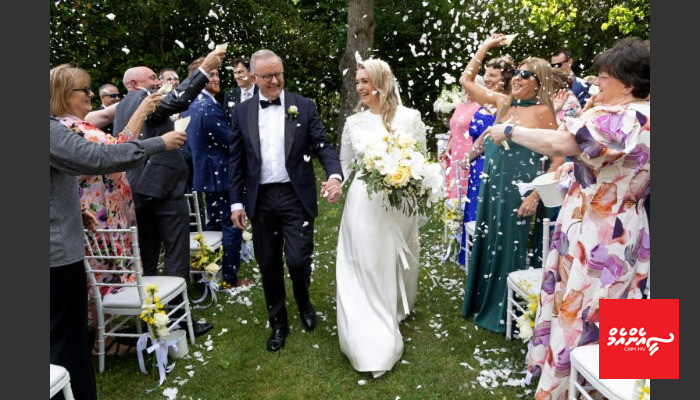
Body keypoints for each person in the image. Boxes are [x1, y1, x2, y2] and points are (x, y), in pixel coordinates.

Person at [487, 37, 650, 398]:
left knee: (589, 307)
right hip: (598, 221)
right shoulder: (626, 112)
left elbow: (565, 144)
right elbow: (596, 160)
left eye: (605, 76)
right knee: (587, 303)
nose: (597, 82)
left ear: (629, 83)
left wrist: (510, 130)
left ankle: (575, 388)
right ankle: (586, 383)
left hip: (605, 231)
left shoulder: (633, 117)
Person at [50, 113, 186, 400]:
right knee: (67, 345)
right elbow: (98, 157)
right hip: (56, 257)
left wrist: (72, 210)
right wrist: (159, 143)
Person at [228, 49, 343, 352]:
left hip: (295, 196)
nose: (275, 80)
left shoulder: (303, 106)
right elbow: (236, 161)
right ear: (253, 78)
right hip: (261, 198)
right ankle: (278, 322)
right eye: (267, 76)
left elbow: (322, 146)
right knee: (268, 264)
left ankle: (304, 301)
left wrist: (334, 176)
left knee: (297, 260)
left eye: (278, 74)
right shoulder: (241, 112)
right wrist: (236, 203)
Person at [114, 47, 226, 338]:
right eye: (152, 78)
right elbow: (178, 99)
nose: (158, 82)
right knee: (177, 255)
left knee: (149, 257)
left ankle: (152, 319)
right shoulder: (142, 99)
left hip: (139, 190)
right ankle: (179, 321)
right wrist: (205, 69)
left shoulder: (122, 106)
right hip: (163, 190)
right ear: (134, 84)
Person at [457, 33, 564, 334]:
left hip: (518, 192)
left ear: (538, 83)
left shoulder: (542, 113)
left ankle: (507, 312)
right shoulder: (503, 103)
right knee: (488, 240)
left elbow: (558, 159)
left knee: (508, 245)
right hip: (491, 187)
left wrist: (535, 195)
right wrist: (485, 46)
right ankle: (482, 301)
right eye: (517, 72)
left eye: (526, 75)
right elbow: (466, 81)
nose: (517, 77)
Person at [51, 65, 164, 339]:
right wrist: (147, 121)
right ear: (64, 94)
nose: (91, 94)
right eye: (85, 90)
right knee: (101, 274)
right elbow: (114, 153)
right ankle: (101, 338)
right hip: (99, 212)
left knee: (106, 272)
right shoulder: (68, 129)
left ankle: (103, 335)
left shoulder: (76, 124)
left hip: (102, 209)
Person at [336, 58, 426, 379]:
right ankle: (367, 332)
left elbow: (421, 160)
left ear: (381, 82)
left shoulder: (410, 118)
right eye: (357, 82)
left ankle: (393, 306)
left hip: (399, 203)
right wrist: (335, 182)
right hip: (363, 201)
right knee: (363, 261)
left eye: (365, 81)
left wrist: (409, 178)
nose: (359, 87)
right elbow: (345, 164)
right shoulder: (353, 123)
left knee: (392, 259)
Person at [184, 57, 247, 288]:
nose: (216, 78)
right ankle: (230, 278)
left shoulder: (191, 104)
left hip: (206, 174)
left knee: (213, 225)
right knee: (232, 225)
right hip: (221, 175)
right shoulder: (208, 106)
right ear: (199, 78)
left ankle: (208, 271)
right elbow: (229, 141)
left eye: (217, 73)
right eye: (210, 75)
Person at [457, 57, 515, 266]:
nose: (487, 79)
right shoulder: (487, 101)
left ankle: (485, 261)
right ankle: (471, 257)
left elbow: (487, 137)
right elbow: (467, 79)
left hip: (492, 164)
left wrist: (468, 156)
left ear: (505, 78)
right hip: (477, 167)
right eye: (486, 74)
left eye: (493, 75)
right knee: (474, 208)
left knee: (486, 212)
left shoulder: (505, 103)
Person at [439, 77, 484, 200]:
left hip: (471, 153)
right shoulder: (460, 106)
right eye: (464, 88)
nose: (466, 91)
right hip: (456, 154)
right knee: (456, 190)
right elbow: (455, 130)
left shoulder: (482, 107)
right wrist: (447, 150)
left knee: (468, 190)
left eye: (470, 88)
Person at [224, 56, 258, 123]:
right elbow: (226, 121)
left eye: (240, 72)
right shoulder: (230, 95)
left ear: (250, 72)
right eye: (235, 73)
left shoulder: (261, 92)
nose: (237, 77)